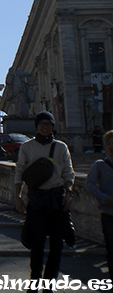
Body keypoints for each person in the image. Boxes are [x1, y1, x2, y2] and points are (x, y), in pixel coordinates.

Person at [14, 111, 74, 287]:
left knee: (57, 244)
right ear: (37, 127)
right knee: (37, 243)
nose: (45, 127)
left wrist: (69, 192)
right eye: (42, 124)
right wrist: (18, 197)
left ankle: (49, 283)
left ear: (53, 127)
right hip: (37, 198)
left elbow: (68, 172)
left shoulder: (61, 147)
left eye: (48, 124)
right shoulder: (27, 147)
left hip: (56, 199)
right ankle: (35, 280)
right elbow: (19, 172)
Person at [85, 129, 113, 280]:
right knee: (111, 246)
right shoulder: (100, 165)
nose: (112, 146)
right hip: (108, 213)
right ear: (106, 146)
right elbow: (89, 185)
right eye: (109, 143)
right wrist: (104, 198)